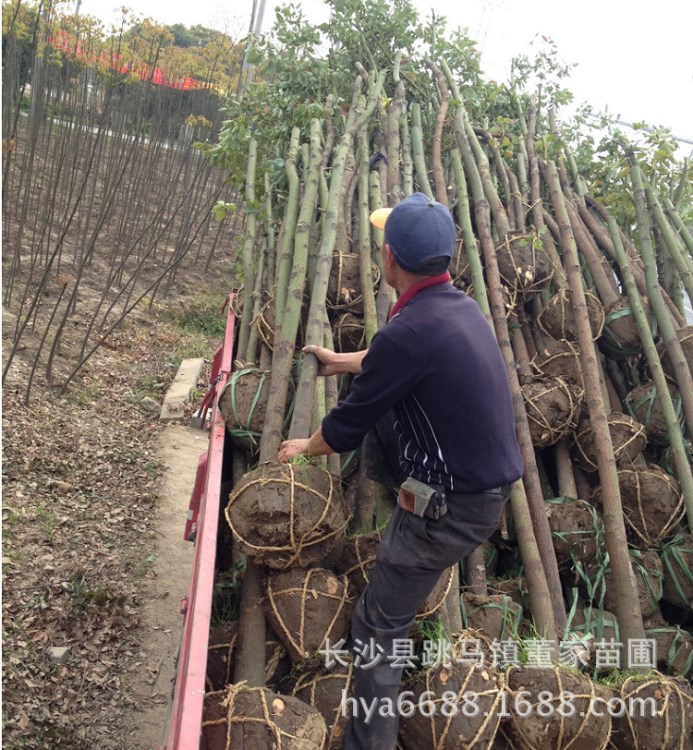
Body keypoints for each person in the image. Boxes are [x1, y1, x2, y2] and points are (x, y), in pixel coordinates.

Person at [278, 192, 524, 750]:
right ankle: (399, 501)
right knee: (389, 409)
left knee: (377, 625)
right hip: (483, 485)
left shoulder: (411, 331)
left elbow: (343, 428)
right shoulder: (455, 309)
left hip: (452, 507)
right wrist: (340, 362)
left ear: (389, 259)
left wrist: (302, 449)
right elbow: (395, 357)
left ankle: (369, 744)